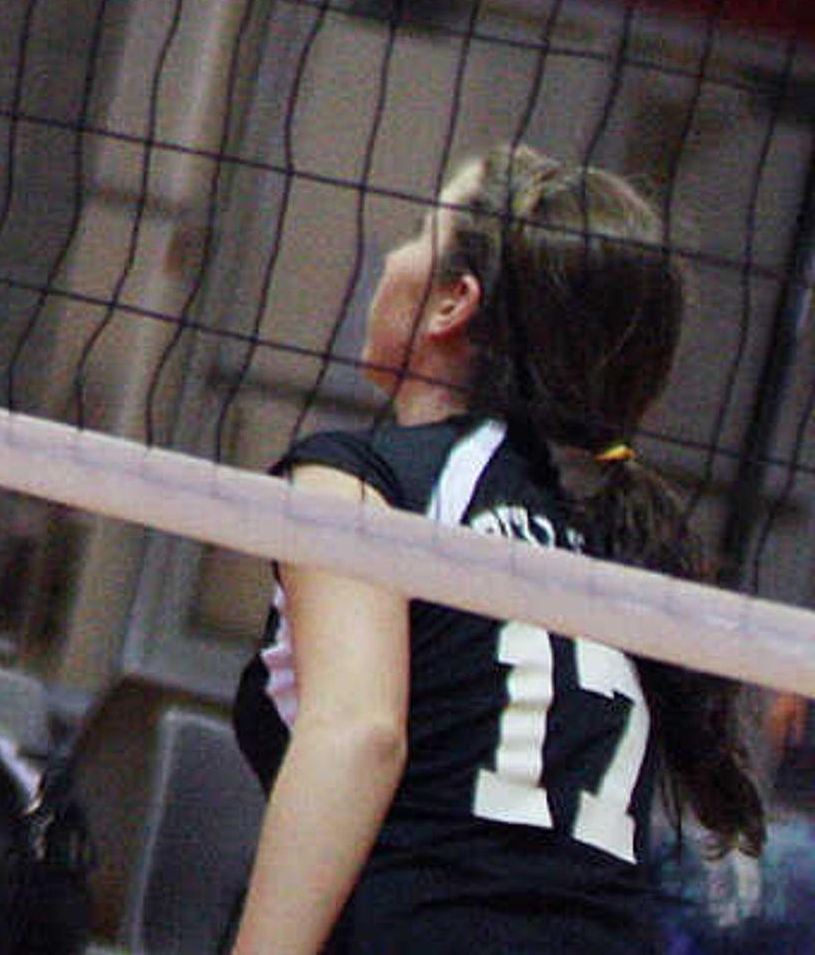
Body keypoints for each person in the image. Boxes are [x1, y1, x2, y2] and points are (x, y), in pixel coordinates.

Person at [228, 146, 766, 955]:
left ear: (452, 303)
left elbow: (360, 732)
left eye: (419, 230)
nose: (391, 252)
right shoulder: (620, 540)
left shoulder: (360, 480)